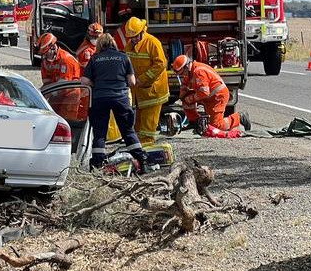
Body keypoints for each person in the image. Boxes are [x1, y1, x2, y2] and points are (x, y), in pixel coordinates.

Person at [80, 34, 147, 170]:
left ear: (100, 45)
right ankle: (142, 161)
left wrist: (97, 84)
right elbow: (132, 82)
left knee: (99, 133)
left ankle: (97, 165)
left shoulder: (95, 59)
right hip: (120, 98)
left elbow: (84, 81)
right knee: (128, 131)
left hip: (100, 98)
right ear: (114, 44)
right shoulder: (123, 57)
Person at [172, 55, 249, 136]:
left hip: (218, 96)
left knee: (216, 125)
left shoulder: (199, 72)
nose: (183, 75)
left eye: (182, 72)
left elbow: (204, 92)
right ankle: (195, 122)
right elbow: (185, 84)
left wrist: (190, 99)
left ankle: (239, 117)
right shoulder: (189, 72)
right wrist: (183, 95)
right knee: (186, 99)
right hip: (209, 97)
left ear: (186, 67)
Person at [122, 16, 169, 145]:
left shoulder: (152, 43)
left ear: (143, 31)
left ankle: (147, 150)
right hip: (140, 93)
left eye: (136, 36)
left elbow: (160, 64)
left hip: (153, 92)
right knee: (138, 127)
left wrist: (142, 79)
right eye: (131, 37)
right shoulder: (129, 46)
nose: (133, 40)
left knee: (147, 130)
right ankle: (139, 149)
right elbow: (126, 64)